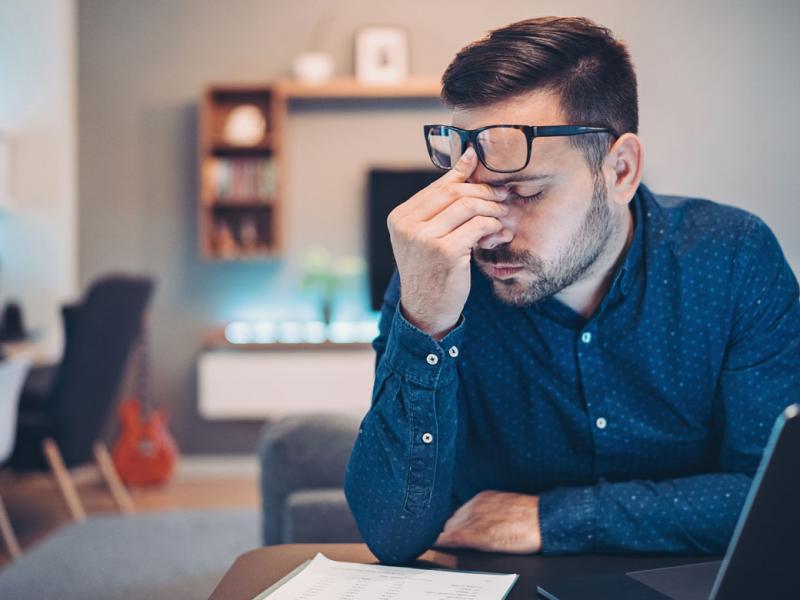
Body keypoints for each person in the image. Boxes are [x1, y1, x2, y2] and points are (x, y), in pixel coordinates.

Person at [343, 16, 800, 565]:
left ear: (621, 170)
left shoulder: (732, 259)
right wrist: (425, 324)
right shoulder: (434, 273)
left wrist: (555, 517)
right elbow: (392, 534)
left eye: (527, 192)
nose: (489, 229)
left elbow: (774, 499)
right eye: (472, 193)